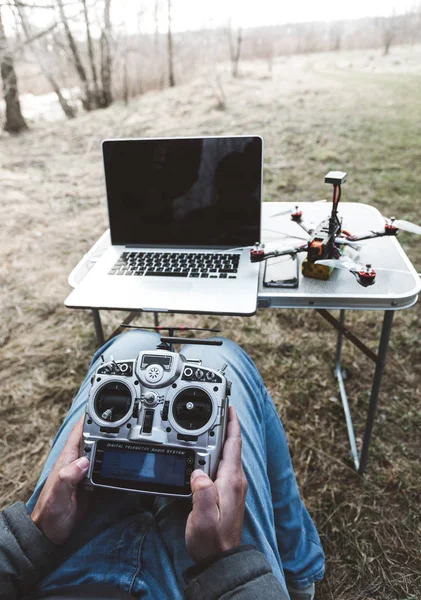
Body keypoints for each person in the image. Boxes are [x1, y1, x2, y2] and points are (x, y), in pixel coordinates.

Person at [0, 330, 325, 599]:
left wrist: (35, 532)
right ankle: (299, 571)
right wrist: (226, 561)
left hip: (58, 566)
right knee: (224, 354)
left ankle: (300, 569)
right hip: (200, 578)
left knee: (129, 343)